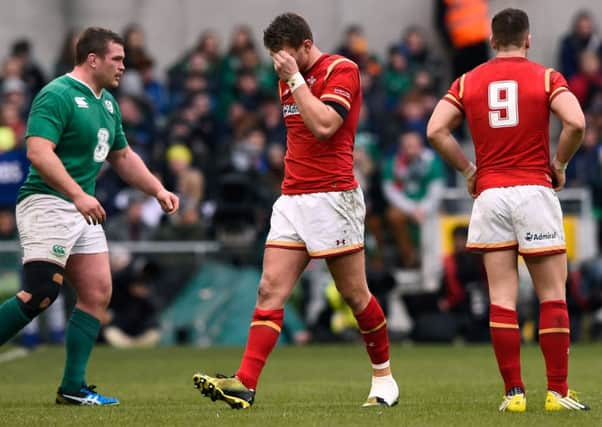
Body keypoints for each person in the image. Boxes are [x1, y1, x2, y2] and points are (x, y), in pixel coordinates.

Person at [193, 13, 398, 409]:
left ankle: (384, 378)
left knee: (355, 295)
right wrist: (291, 77)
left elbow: (324, 126)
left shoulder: (343, 69)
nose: (278, 66)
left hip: (333, 198)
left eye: (285, 57)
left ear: (306, 45)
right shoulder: (288, 77)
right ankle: (245, 384)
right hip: (292, 198)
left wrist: (295, 79)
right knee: (270, 289)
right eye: (275, 59)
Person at [0, 27, 179, 406]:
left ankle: (72, 387)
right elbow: (38, 152)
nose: (123, 67)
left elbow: (123, 157)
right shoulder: (57, 94)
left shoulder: (108, 103)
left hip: (82, 207)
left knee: (97, 293)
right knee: (40, 294)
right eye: (117, 59)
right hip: (47, 202)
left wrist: (158, 189)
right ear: (92, 59)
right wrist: (78, 194)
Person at [427, 8, 589, 412]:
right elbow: (577, 123)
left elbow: (435, 130)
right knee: (552, 293)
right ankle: (557, 392)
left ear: (493, 40)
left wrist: (468, 170)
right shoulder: (547, 77)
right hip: (534, 190)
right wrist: (560, 165)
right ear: (529, 40)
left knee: (502, 297)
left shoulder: (467, 81)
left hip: (491, 195)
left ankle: (513, 394)